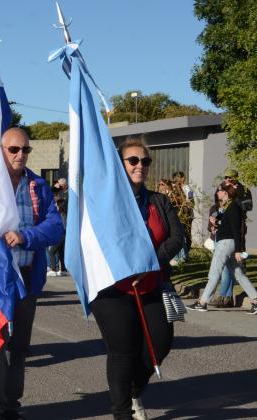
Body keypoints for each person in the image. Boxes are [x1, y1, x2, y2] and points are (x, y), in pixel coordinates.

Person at [92, 136, 183, 420]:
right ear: (120, 165)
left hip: (152, 283)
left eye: (145, 161)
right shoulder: (104, 202)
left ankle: (134, 392)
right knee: (123, 349)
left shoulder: (159, 200)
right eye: (133, 160)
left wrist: (149, 261)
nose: (140, 165)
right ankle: (121, 413)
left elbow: (178, 237)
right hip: (113, 289)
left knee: (160, 343)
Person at [0, 128, 64, 420]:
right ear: (0, 150)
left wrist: (25, 236)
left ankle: (12, 405)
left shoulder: (37, 185)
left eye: (25, 150)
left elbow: (56, 227)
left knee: (20, 347)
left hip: (27, 276)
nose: (20, 155)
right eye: (13, 149)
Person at [188, 182, 257, 314]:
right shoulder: (227, 207)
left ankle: (202, 303)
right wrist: (215, 223)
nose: (217, 193)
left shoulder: (233, 207)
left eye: (219, 190)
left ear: (225, 192)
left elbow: (236, 230)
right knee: (239, 274)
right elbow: (225, 224)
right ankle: (255, 300)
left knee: (214, 272)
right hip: (226, 242)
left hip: (226, 244)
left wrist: (238, 250)